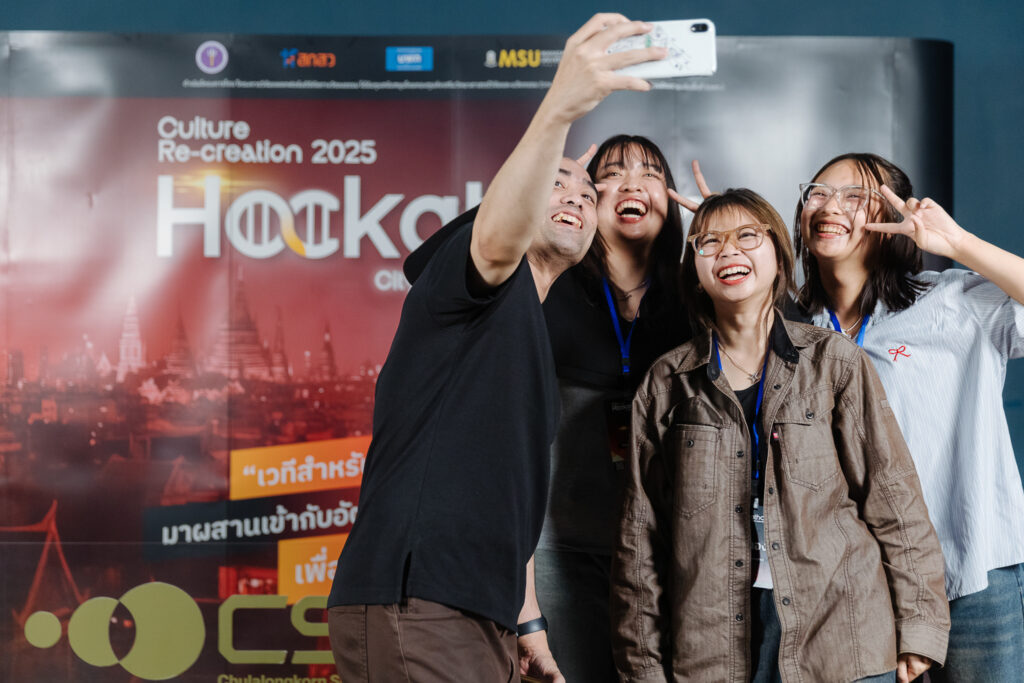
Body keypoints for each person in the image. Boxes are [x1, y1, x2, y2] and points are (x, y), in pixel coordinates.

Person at [325, 14, 668, 683]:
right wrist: (561, 104)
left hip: (475, 613)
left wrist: (525, 615)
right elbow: (496, 237)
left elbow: (504, 494)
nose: (573, 195)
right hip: (419, 602)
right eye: (557, 182)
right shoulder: (478, 275)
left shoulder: (529, 331)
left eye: (585, 193)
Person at [611, 188, 949, 682]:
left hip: (841, 639)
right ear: (696, 271)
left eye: (748, 236)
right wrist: (643, 668)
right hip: (712, 650)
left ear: (778, 256)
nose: (729, 252)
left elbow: (893, 497)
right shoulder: (665, 384)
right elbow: (639, 544)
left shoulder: (834, 362)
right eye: (709, 243)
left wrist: (920, 626)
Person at [796, 152, 1024, 682]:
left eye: (855, 195)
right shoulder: (792, 330)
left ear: (893, 220)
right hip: (859, 583)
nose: (831, 205)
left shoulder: (952, 302)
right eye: (819, 191)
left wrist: (956, 243)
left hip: (972, 569)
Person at [535, 135, 694, 682]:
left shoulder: (699, 295)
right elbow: (430, 268)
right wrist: (541, 189)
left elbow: (787, 341)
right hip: (559, 547)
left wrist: (734, 232)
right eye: (612, 173)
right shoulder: (546, 280)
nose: (632, 182)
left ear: (670, 199)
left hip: (670, 553)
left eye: (650, 173)